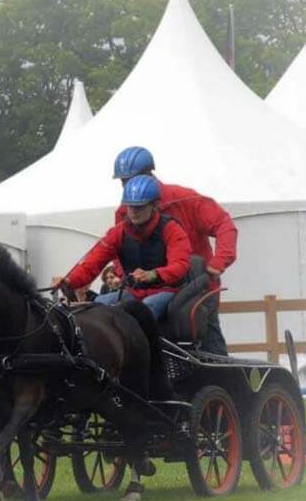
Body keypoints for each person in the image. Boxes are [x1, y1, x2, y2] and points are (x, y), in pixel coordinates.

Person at [110, 146, 237, 354]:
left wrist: (218, 262)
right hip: (150, 290)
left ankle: (225, 383)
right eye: (123, 182)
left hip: (196, 289)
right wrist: (122, 274)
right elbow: (118, 249)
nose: (127, 186)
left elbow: (224, 224)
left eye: (130, 180)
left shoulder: (185, 199)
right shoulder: (125, 211)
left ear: (148, 174)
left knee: (209, 350)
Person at [53, 175, 191, 320]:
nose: (133, 211)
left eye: (140, 206)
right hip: (134, 292)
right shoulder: (118, 232)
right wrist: (69, 280)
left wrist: (153, 274)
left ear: (154, 205)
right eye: (130, 205)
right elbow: (92, 264)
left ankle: (148, 343)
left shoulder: (171, 229)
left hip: (167, 290)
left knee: (145, 309)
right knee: (96, 305)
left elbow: (180, 265)